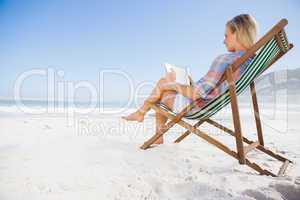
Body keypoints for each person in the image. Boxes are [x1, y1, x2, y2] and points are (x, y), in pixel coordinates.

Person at [122, 14, 258, 144]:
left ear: (237, 34)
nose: (223, 41)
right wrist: (188, 83)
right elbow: (210, 88)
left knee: (163, 84)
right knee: (168, 81)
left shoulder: (224, 59)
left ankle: (143, 117)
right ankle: (143, 115)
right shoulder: (249, 61)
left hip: (197, 106)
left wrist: (173, 85)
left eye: (226, 35)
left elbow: (198, 94)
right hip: (210, 104)